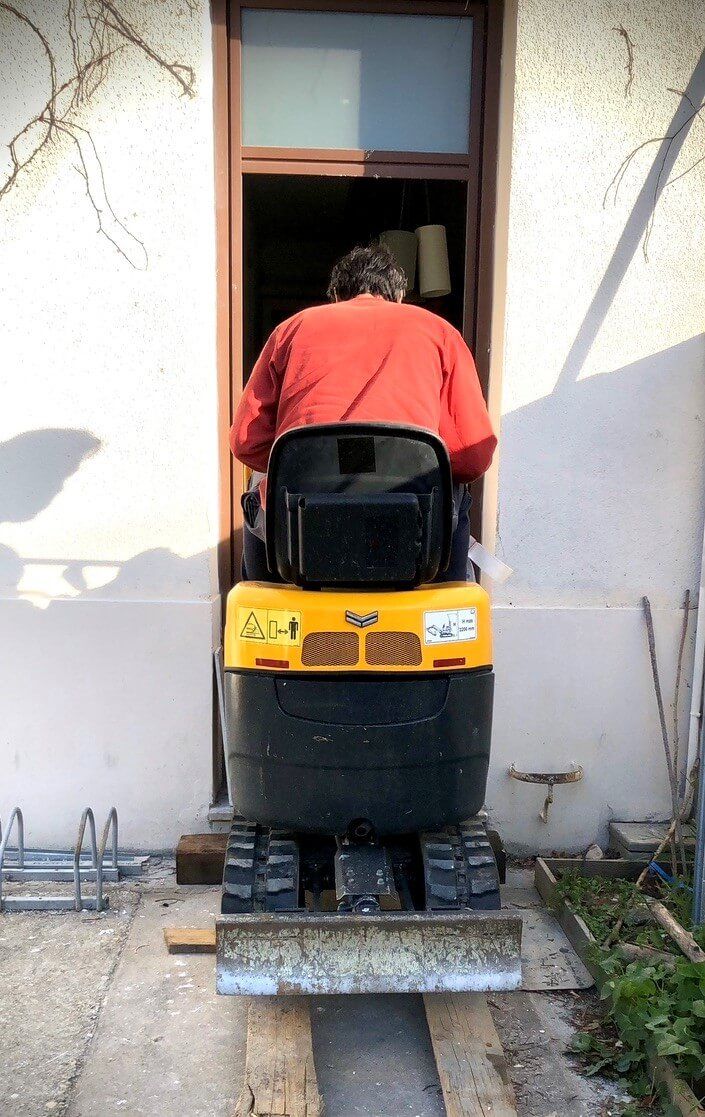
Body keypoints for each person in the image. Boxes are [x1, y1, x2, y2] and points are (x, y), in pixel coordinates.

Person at [230, 244, 496, 581]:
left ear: (337, 296)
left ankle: (264, 594)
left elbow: (245, 443)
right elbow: (473, 455)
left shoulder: (291, 330)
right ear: (399, 295)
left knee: (261, 484)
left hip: (303, 534)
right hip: (414, 534)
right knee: (453, 486)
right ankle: (450, 596)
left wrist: (311, 461)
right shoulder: (440, 333)